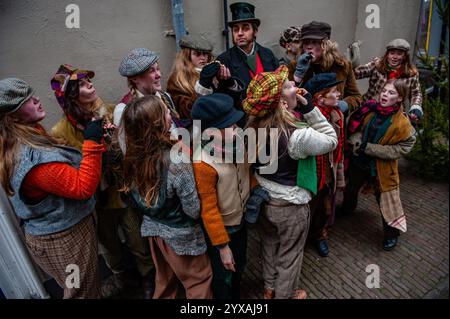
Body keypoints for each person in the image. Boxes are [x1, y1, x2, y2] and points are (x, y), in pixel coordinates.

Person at [49, 64, 154, 298]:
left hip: (122, 189)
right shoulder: (61, 132)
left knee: (137, 237)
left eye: (89, 81)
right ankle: (124, 277)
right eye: (84, 85)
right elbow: (69, 169)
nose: (91, 86)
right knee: (109, 244)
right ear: (72, 96)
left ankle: (149, 277)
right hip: (96, 199)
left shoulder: (109, 111)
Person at [0, 78, 106, 298]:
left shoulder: (22, 139)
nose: (37, 99)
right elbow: (82, 187)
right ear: (12, 117)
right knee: (82, 293)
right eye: (27, 100)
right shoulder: (32, 159)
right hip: (68, 245)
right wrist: (92, 141)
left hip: (57, 236)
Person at [243, 65, 338, 299]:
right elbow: (331, 139)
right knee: (290, 254)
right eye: (289, 86)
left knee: (268, 244)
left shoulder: (252, 126)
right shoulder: (298, 136)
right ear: (282, 103)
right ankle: (285, 295)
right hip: (290, 206)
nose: (296, 87)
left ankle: (269, 288)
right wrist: (311, 109)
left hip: (264, 199)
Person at [120, 95, 213, 299]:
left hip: (154, 232)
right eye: (165, 112)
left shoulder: (132, 157)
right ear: (158, 123)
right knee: (199, 282)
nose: (170, 114)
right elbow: (193, 209)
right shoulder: (176, 161)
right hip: (181, 235)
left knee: (165, 283)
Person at [190, 93, 261, 299]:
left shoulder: (237, 144)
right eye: (230, 126)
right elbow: (209, 210)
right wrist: (222, 247)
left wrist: (256, 192)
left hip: (242, 222)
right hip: (223, 230)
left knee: (240, 264)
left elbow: (247, 174)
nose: (237, 128)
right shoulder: (203, 163)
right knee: (223, 276)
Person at [341, 80, 416, 251]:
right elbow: (356, 128)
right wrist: (356, 139)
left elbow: (404, 147)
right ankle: (347, 208)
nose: (385, 95)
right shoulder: (371, 109)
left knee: (387, 201)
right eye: (384, 91)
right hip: (359, 162)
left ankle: (391, 233)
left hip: (381, 169)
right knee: (351, 188)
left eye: (391, 93)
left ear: (399, 98)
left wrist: (371, 149)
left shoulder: (402, 123)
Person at [303, 73, 346, 257]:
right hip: (312, 173)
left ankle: (319, 236)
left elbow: (339, 152)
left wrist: (340, 177)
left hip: (329, 174)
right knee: (308, 210)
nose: (339, 95)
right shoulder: (305, 120)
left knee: (324, 209)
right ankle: (301, 240)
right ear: (320, 98)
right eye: (334, 92)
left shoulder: (337, 114)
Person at [114, 48, 186, 153]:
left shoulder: (165, 97)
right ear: (134, 79)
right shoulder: (123, 110)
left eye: (158, 69)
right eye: (152, 71)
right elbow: (129, 153)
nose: (159, 75)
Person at [289, 21, 362, 113]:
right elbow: (285, 97)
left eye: (315, 42)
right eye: (306, 42)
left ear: (326, 45)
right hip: (304, 119)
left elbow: (356, 96)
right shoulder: (295, 65)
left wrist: (340, 106)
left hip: (332, 122)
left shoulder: (342, 65)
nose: (309, 47)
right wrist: (298, 75)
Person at [216, 2, 279, 101]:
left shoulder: (268, 54)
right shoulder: (224, 60)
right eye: (236, 30)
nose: (240, 33)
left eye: (245, 28)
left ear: (255, 31)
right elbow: (222, 99)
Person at [353, 38, 423, 122]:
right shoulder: (377, 65)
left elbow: (416, 93)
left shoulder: (411, 74)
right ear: (387, 54)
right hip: (370, 107)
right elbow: (358, 73)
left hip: (394, 113)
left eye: (399, 54)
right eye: (392, 53)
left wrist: (415, 106)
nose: (394, 57)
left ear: (405, 56)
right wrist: (350, 65)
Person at [166, 34, 214, 120]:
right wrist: (202, 87)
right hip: (195, 127)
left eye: (205, 54)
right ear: (187, 56)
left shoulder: (213, 72)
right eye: (197, 54)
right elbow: (185, 112)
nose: (203, 58)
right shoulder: (177, 80)